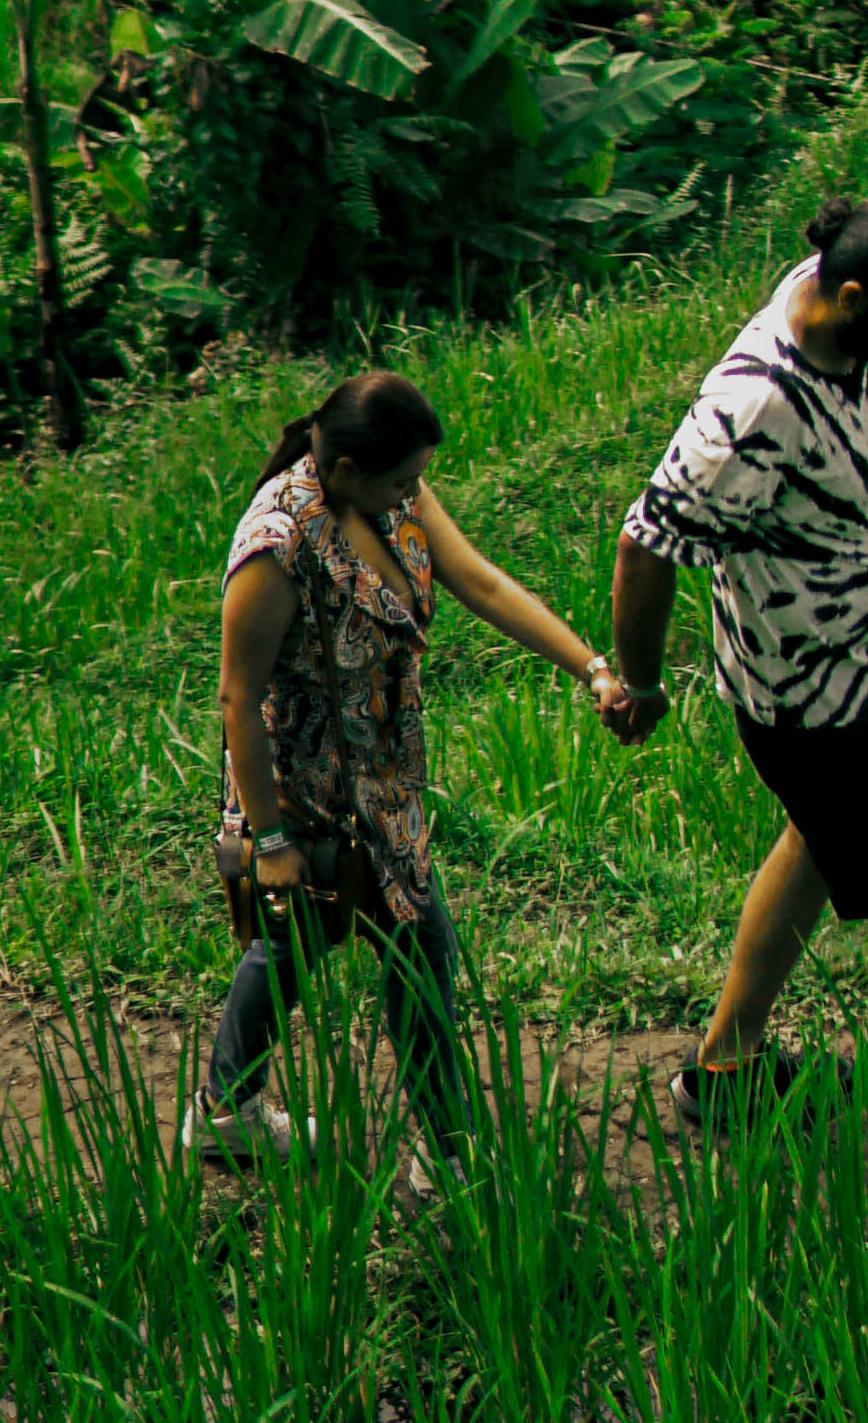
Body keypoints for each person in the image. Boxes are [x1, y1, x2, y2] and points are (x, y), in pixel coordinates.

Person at [607, 193, 868, 1164]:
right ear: (851, 298)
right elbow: (644, 544)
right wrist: (644, 683)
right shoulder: (754, 409)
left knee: (818, 840)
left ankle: (723, 1071)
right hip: (811, 700)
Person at [203, 366, 636, 1179]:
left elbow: (481, 581)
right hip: (303, 792)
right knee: (402, 946)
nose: (415, 494)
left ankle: (228, 1111)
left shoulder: (388, 495)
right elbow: (238, 698)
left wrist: (591, 668)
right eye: (404, 480)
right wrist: (270, 840)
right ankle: (449, 1157)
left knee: (302, 944)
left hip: (383, 783)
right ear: (346, 470)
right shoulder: (276, 544)